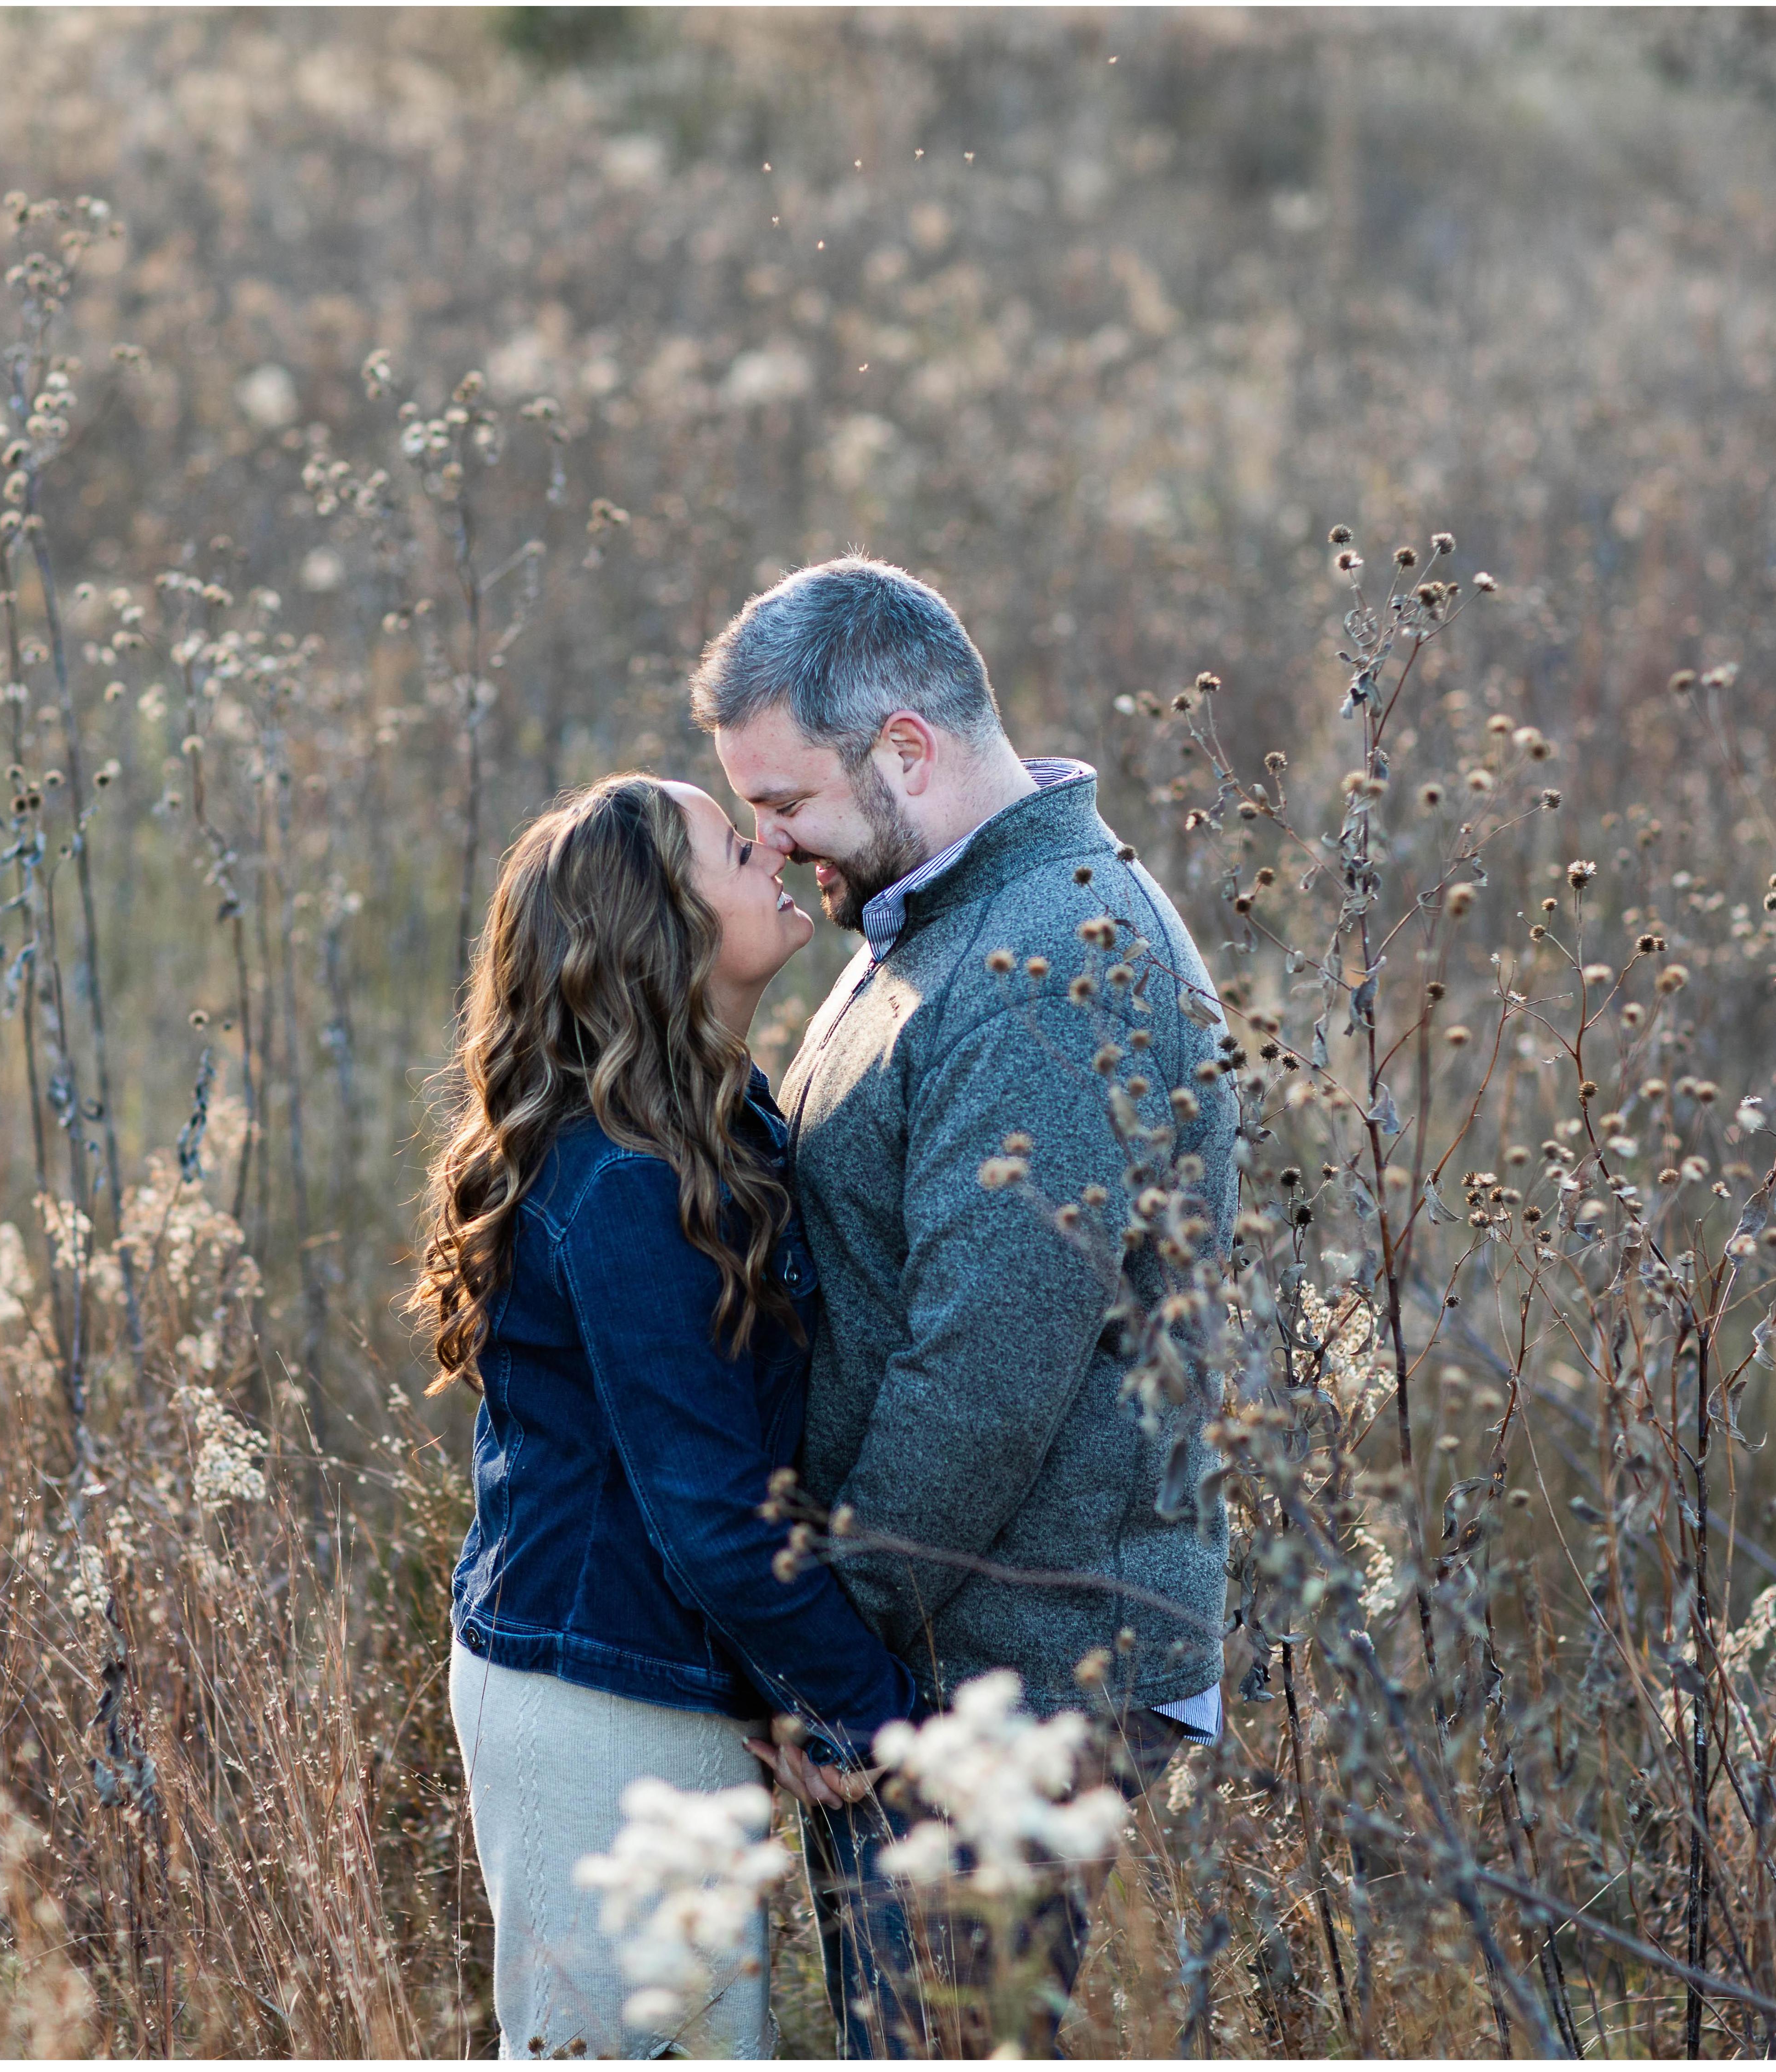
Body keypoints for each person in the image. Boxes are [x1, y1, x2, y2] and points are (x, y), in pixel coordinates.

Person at [693, 554, 1235, 2057]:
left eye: (788, 803)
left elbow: (986, 1365)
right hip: (942, 1656)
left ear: (907, 751)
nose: (773, 843)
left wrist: (829, 1649)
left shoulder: (1048, 954)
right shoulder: (941, 923)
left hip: (1018, 1672)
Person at [413, 773, 925, 2061]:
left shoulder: (715, 1124)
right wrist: (871, 1715)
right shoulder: (628, 1180)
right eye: (729, 843)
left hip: (663, 1679)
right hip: (596, 1702)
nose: (771, 850)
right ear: (664, 926)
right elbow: (707, 1510)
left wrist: (783, 1693)